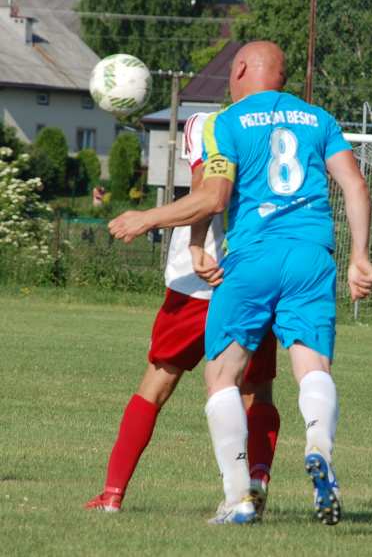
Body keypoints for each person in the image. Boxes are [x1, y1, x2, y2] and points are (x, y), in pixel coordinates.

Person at [108, 41, 372, 525]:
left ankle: (238, 500)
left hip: (251, 258)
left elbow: (212, 197)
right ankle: (318, 447)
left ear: (241, 69)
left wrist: (148, 218)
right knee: (311, 367)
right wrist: (360, 255)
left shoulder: (225, 123)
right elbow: (355, 185)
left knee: (221, 377)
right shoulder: (319, 119)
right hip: (313, 255)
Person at [86, 112, 281, 515]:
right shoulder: (274, 127)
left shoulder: (206, 123)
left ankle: (112, 494)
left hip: (197, 281)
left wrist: (150, 220)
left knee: (155, 385)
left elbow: (206, 194)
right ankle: (256, 482)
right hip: (252, 276)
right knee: (254, 392)